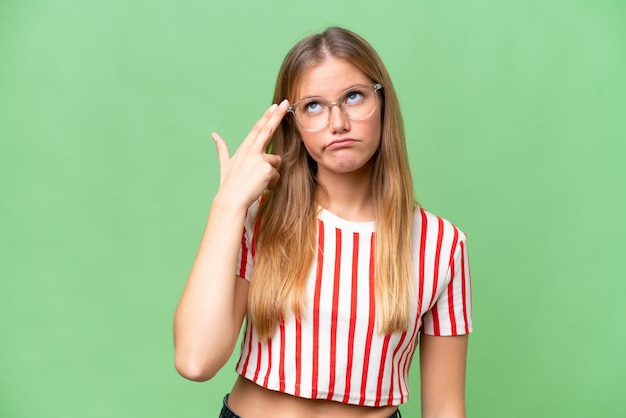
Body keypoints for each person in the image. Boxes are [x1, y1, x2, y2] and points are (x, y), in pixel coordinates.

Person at [174, 27, 472, 418]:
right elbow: (196, 361)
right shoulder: (257, 220)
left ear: (382, 102)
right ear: (292, 122)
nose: (338, 122)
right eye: (314, 106)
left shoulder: (442, 245)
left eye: (353, 96)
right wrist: (227, 205)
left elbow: (445, 407)